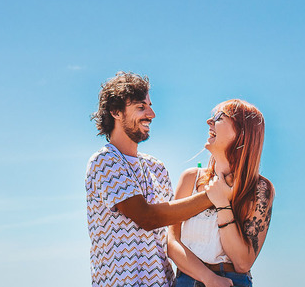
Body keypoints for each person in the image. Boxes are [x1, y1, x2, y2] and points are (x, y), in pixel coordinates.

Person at [86, 72, 228, 287]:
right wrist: (213, 196)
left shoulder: (156, 167)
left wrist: (209, 277)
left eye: (150, 106)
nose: (151, 114)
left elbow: (171, 235)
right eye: (140, 107)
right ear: (115, 112)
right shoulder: (105, 161)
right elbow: (147, 218)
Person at [167, 100, 275, 287]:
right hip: (187, 280)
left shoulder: (260, 189)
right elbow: (172, 240)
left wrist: (223, 204)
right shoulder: (190, 178)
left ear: (241, 132)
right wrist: (209, 278)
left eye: (219, 117)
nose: (209, 121)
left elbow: (242, 263)